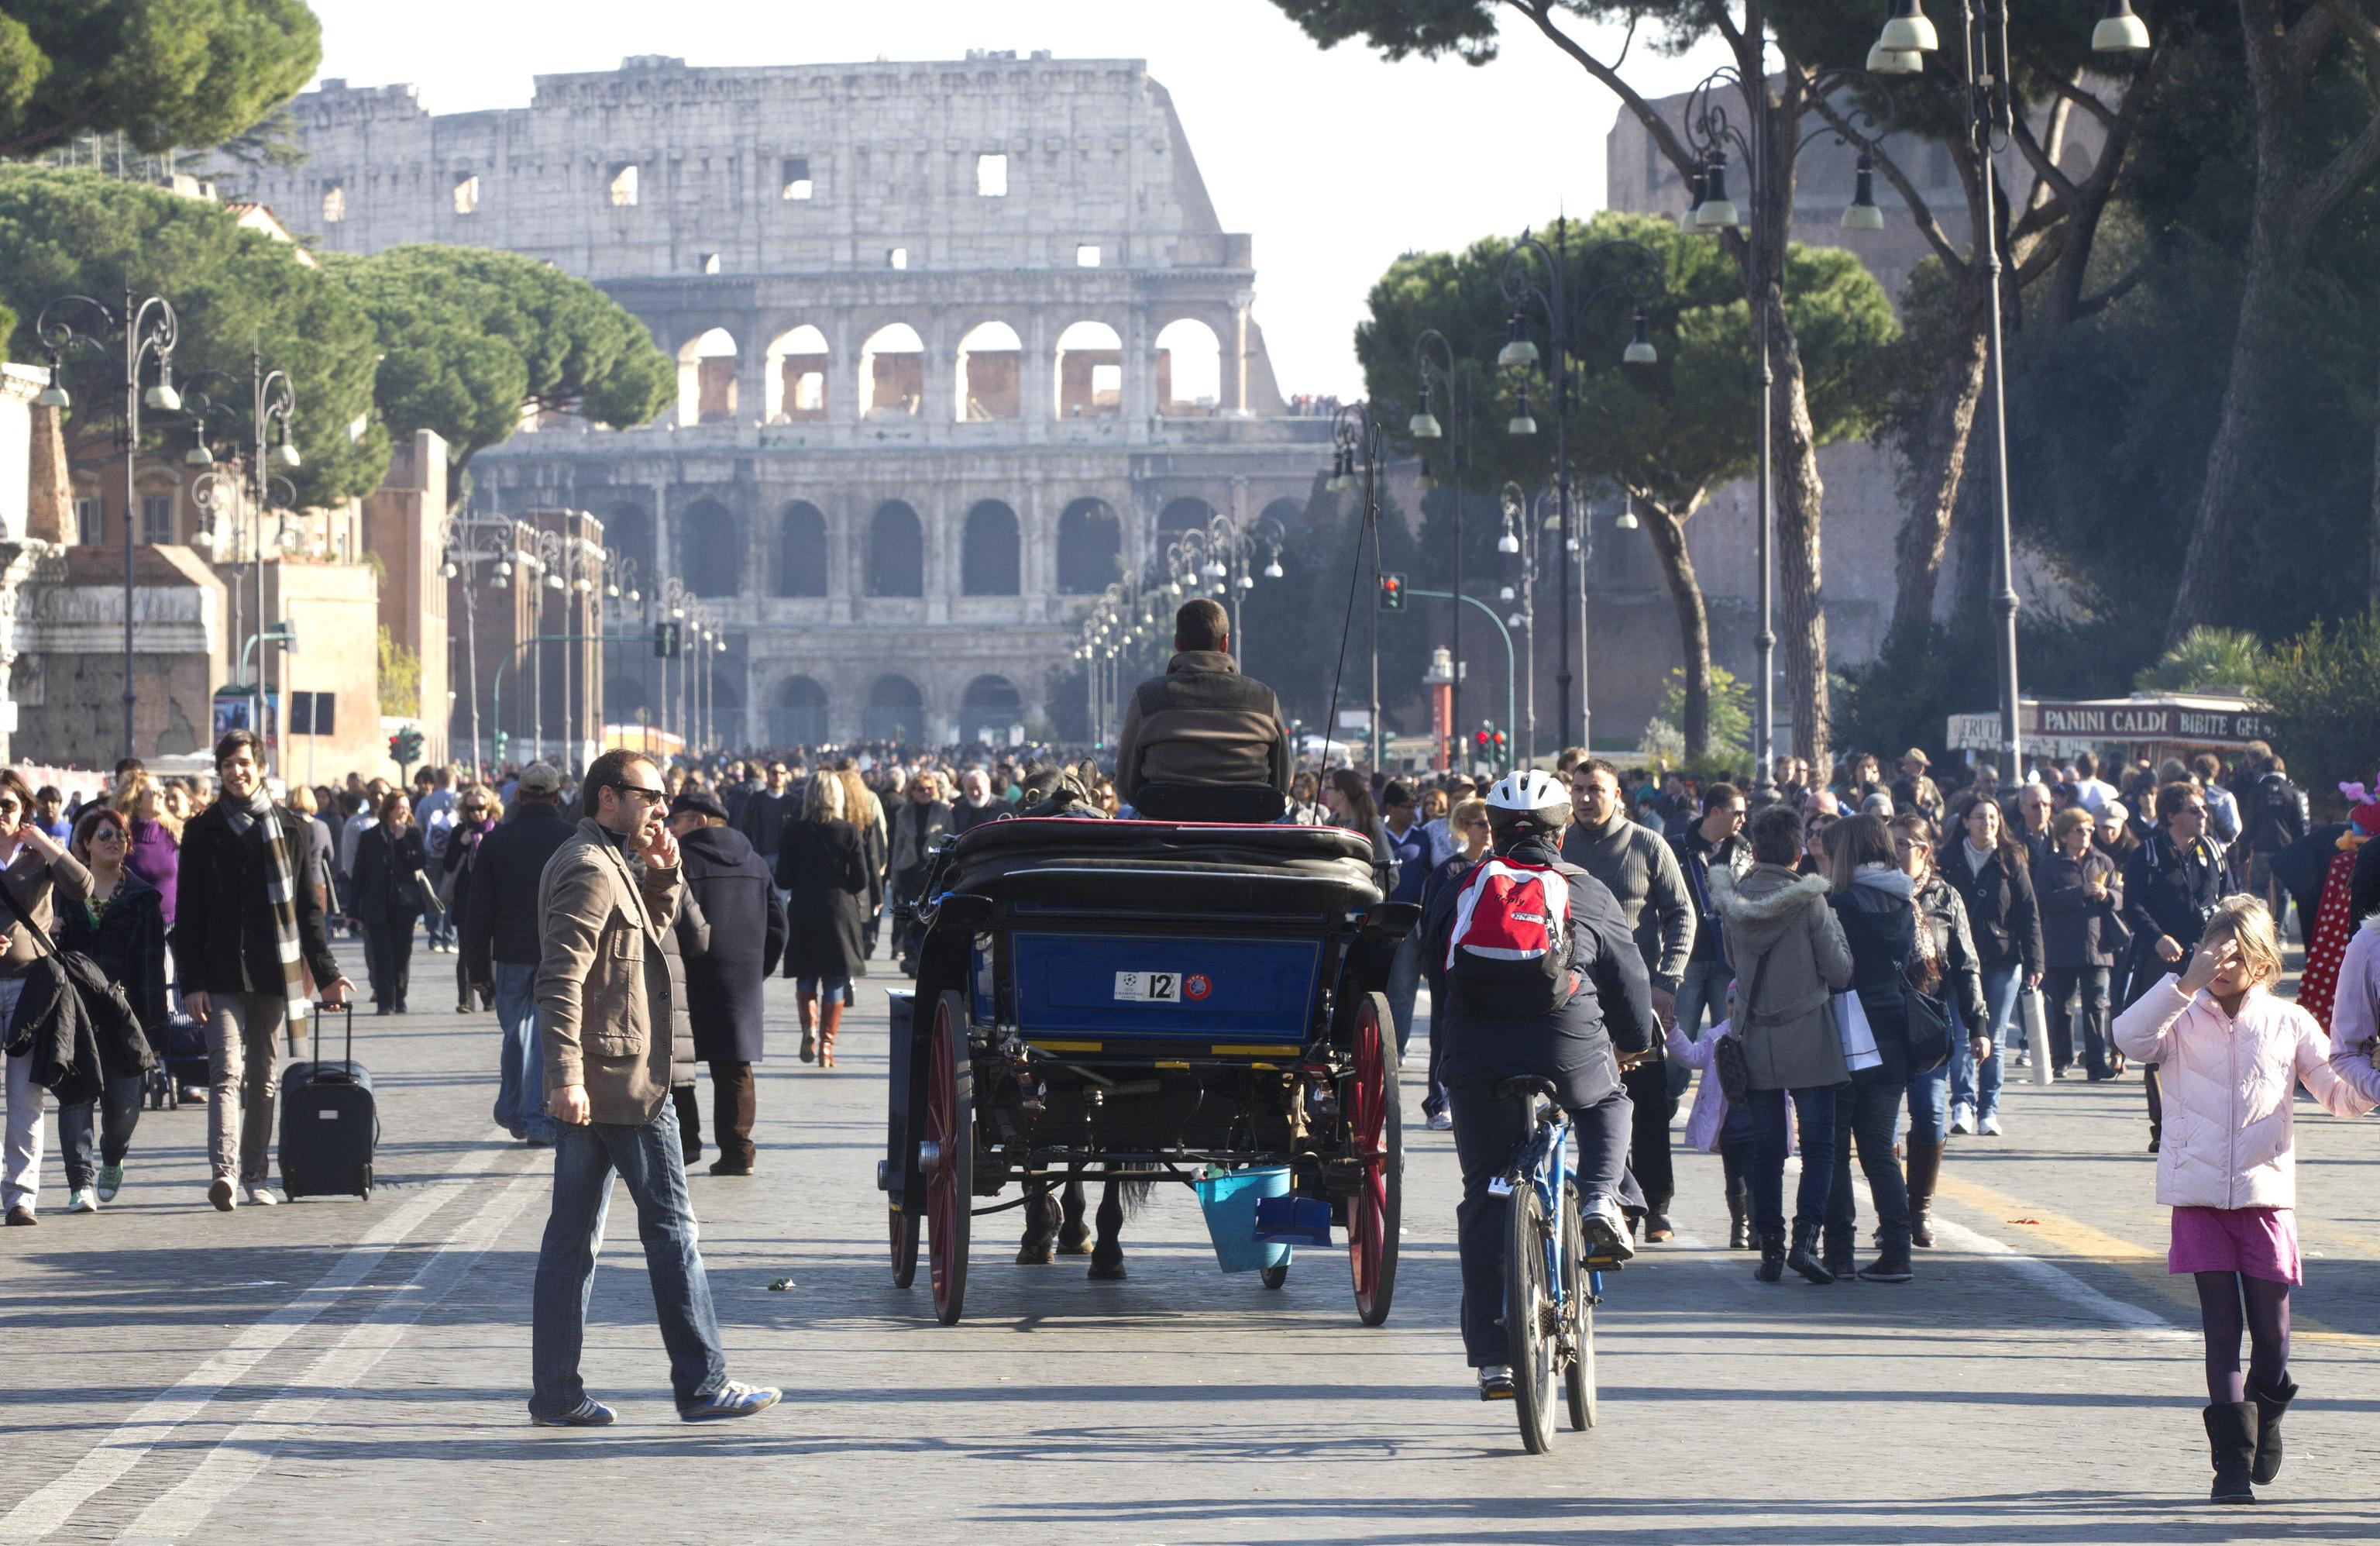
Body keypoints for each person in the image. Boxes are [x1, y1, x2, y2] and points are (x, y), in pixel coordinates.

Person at [528, 748, 778, 1427]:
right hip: (624, 1082)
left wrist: (665, 873)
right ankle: (703, 1382)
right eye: (649, 796)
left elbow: (644, 939)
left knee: (572, 1241)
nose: (662, 808)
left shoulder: (612, 859)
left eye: (664, 797)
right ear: (607, 797)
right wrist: (564, 1076)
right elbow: (560, 978)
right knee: (673, 1232)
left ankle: (556, 1393)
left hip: (607, 1077)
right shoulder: (589, 866)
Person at [2111, 898, 2369, 1503]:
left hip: (2265, 1198)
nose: (2221, 965)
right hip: (2198, 1198)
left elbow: (2339, 1094)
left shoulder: (2289, 1021)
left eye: (2235, 955)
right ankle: (2231, 1465)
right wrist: (2183, 983)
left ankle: (2264, 1417)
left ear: (2262, 960)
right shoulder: (2178, 1013)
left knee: (2274, 1341)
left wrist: (2370, 1081)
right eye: (2213, 952)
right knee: (2222, 1330)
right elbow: (2128, 1038)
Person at [1422, 770, 1653, 1399]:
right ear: (1563, 831)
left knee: (1484, 1193)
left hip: (1477, 1049)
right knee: (1607, 1097)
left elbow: (1440, 982)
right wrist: (1631, 1045)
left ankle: (1494, 1359)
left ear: (1492, 830)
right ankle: (1602, 1198)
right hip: (1565, 1039)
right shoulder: (1587, 890)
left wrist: (1449, 1060)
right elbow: (1630, 982)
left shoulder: (1458, 887)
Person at [171, 731, 353, 1212]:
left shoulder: (291, 828)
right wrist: (191, 982)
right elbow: (188, 913)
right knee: (225, 1072)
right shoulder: (202, 830)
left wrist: (328, 975)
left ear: (261, 768)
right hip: (220, 972)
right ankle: (225, 1174)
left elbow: (308, 912)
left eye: (244, 763)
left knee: (263, 1077)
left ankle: (256, 1173)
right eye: (228, 764)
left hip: (274, 972)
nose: (237, 772)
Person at [1710, 802, 1852, 1279]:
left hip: (1755, 1036)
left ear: (1755, 851)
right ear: (1797, 854)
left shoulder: (1733, 901)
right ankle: (1806, 1241)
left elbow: (1735, 961)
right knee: (1819, 1146)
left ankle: (1770, 1249)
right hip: (1809, 1033)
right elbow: (1840, 970)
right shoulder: (1810, 901)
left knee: (1768, 1149)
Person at [1561, 759, 1695, 1242]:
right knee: (1592, 1102)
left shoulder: (1648, 844)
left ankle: (1656, 1206)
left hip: (1638, 997)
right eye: (1578, 789)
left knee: (1649, 1104)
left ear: (1617, 795)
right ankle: (1614, 1199)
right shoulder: (1560, 846)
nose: (1584, 798)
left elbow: (1682, 915)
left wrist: (1667, 981)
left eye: (1595, 789)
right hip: (1578, 997)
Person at [1821, 814, 1924, 1283]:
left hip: (1847, 1034)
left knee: (1835, 1148)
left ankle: (1839, 1253)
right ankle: (1898, 1252)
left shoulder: (1838, 902)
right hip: (1895, 1034)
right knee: (1880, 1149)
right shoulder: (1904, 900)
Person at [52, 807, 167, 1213]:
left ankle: (113, 1157)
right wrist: (51, 931)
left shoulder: (142, 898)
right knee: (75, 1098)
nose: (115, 841)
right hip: (74, 1013)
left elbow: (153, 967)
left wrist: (155, 1031)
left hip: (125, 1017)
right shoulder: (62, 894)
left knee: (123, 1111)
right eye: (105, 835)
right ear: (85, 843)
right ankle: (80, 1184)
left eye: (121, 835)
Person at [669, 790, 785, 1176]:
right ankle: (738, 1152)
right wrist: (758, 968)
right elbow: (778, 923)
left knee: (677, 1061)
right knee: (735, 1065)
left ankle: (685, 1144)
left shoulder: (679, 859)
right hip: (741, 976)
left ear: (700, 821)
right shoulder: (755, 861)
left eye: (677, 819)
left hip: (688, 972)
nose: (671, 827)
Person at [0, 769, 94, 1226]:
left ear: (23, 810)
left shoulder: (37, 856)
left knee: (25, 1094)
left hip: (29, 986)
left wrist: (46, 844)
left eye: (6, 805)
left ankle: (20, 1197)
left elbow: (83, 887)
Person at [463, 763, 575, 1146]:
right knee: (549, 1036)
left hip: (511, 953)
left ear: (520, 796)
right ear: (557, 797)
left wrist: (478, 969)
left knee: (517, 1034)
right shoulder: (572, 838)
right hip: (559, 952)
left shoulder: (497, 841)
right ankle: (535, 1115)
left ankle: (516, 1109)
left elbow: (478, 912)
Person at [1891, 814, 1988, 1248]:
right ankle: (1892, 1213)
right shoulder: (1874, 892)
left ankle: (1919, 1212)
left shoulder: (1945, 896)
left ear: (1923, 850)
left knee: (1929, 1115)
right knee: (1883, 1123)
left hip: (1929, 1021)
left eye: (1901, 845)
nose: (1893, 852)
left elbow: (1966, 965)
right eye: (1889, 844)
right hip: (1883, 1020)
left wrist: (1978, 1025)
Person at [1112, 597, 1291, 823]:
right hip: (1247, 833)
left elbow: (1127, 783)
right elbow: (1281, 783)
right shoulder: (1264, 699)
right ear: (1225, 642)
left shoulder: (1147, 698)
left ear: (1177, 644)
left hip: (1165, 832)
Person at [2122, 781, 2229, 1153]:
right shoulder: (2148, 854)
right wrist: (2157, 938)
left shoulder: (2212, 851)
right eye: (2194, 810)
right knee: (2162, 1042)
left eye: (2204, 809)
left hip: (2208, 958)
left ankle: (2202, 1124)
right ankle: (2164, 1128)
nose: (2203, 815)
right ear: (2171, 815)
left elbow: (2231, 899)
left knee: (2207, 1040)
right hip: (2163, 961)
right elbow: (2132, 905)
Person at [1937, 795, 2041, 1136]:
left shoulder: (2011, 858)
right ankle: (1962, 1105)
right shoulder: (1948, 859)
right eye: (1980, 817)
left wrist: (2035, 960)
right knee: (1962, 1035)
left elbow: (2028, 912)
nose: (1987, 823)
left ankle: (1989, 1111)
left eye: (1993, 818)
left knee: (1994, 1037)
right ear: (1966, 822)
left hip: (2002, 959)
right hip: (1956, 960)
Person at [776, 771, 867, 1069]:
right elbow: (861, 880)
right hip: (838, 910)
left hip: (804, 907)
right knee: (835, 978)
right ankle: (827, 1048)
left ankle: (809, 1030)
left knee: (806, 974)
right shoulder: (848, 831)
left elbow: (783, 879)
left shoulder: (794, 831)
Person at [1416, 795, 1492, 1131]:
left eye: (1491, 824)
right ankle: (1438, 1102)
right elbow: (1431, 920)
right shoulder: (1449, 869)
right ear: (1465, 827)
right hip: (1446, 962)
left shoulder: (1497, 866)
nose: (1487, 830)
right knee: (1443, 1032)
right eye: (1481, 824)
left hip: (1480, 963)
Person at [2038, 807, 2129, 1080]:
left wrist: (2107, 895)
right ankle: (2061, 1059)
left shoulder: (2103, 861)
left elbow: (2121, 896)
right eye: (2079, 830)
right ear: (2065, 834)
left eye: (2089, 829)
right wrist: (2081, 892)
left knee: (2096, 1006)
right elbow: (2043, 901)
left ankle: (2096, 1062)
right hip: (2061, 944)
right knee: (2062, 1006)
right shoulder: (2050, 865)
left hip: (2097, 945)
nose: (2086, 834)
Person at [1670, 783, 1750, 1045]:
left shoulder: (1745, 852)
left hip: (1727, 960)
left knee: (1728, 1040)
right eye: (1737, 813)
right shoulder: (1676, 849)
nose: (1743, 820)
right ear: (1715, 812)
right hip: (1688, 959)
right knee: (1679, 1038)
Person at [1377, 780, 1446, 1062]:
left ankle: (1396, 1051)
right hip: (1377, 921)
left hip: (1411, 923)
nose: (1411, 812)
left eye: (1414, 806)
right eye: (1405, 807)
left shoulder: (1422, 838)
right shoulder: (1376, 834)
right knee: (1376, 986)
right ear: (1390, 807)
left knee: (1404, 990)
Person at [351, 790, 428, 1015]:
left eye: (407, 808)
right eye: (399, 807)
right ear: (388, 810)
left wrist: (402, 840)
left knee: (402, 953)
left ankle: (400, 997)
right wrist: (353, 910)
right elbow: (359, 873)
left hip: (404, 905)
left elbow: (418, 862)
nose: (404, 812)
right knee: (382, 954)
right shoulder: (370, 836)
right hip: (377, 904)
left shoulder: (412, 834)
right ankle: (385, 1001)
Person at [440, 787, 500, 1012]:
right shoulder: (459, 832)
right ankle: (465, 1000)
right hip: (466, 900)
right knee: (466, 951)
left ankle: (490, 998)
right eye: (471, 808)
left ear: (490, 807)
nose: (476, 812)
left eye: (481, 807)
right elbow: (448, 865)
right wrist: (462, 844)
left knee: (491, 952)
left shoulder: (498, 831)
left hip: (493, 901)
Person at [888, 770, 951, 975]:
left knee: (930, 914)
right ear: (912, 791)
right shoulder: (903, 812)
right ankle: (912, 958)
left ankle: (928, 958)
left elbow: (951, 841)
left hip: (933, 870)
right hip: (908, 868)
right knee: (909, 914)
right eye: (921, 789)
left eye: (930, 789)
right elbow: (897, 846)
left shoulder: (943, 811)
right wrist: (894, 878)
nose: (925, 792)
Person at [2242, 755, 2309, 939]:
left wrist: (2243, 851)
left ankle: (2260, 931)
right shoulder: (2294, 792)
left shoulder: (2256, 791)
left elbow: (2248, 823)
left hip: (2261, 848)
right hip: (2286, 850)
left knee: (2258, 891)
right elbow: (2302, 825)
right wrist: (2302, 852)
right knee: (2284, 893)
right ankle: (2280, 936)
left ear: (2263, 769)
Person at [114, 769, 181, 935]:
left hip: (173, 927)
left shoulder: (175, 833)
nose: (162, 795)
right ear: (137, 801)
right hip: (135, 928)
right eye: (154, 793)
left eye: (162, 790)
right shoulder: (119, 838)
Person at [734, 761, 795, 870]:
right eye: (774, 773)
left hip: (785, 858)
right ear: (767, 774)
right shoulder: (755, 800)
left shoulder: (792, 802)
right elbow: (746, 827)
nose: (778, 776)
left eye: (782, 773)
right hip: (761, 856)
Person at [948, 766, 1010, 833]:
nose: (975, 793)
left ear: (989, 786)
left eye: (978, 788)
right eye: (970, 789)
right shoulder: (958, 810)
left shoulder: (1005, 807)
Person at [1892, 750, 1945, 825]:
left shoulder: (1929, 782)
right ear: (1908, 765)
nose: (1923, 768)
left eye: (1923, 766)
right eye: (1919, 765)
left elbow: (1939, 804)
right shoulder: (1898, 784)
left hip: (1926, 824)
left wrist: (1935, 816)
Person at [2072, 750, 2118, 817]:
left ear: (2077, 769)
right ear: (2097, 768)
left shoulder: (2073, 789)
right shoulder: (2110, 790)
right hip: (2104, 823)